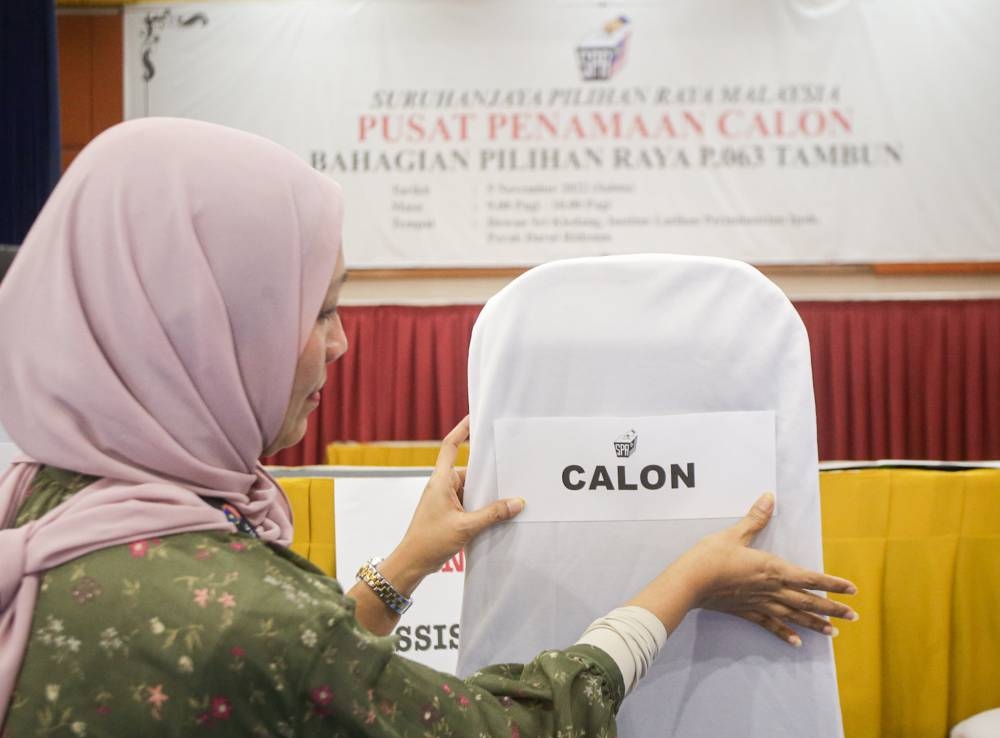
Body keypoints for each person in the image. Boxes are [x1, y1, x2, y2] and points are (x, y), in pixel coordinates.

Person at [0, 118, 857, 737]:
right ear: (201, 328)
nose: (339, 342)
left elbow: (285, 685)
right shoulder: (241, 610)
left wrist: (406, 561)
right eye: (318, 309)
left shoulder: (37, 504)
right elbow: (496, 731)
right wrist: (686, 580)